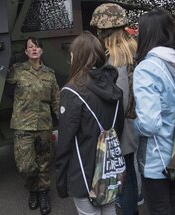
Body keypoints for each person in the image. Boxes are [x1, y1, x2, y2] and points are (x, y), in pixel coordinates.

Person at [133, 8, 175, 215]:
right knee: (171, 206)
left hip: (157, 157)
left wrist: (133, 124)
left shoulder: (146, 68)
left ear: (147, 34)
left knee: (160, 209)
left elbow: (149, 124)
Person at [55, 31, 124, 215]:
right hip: (109, 170)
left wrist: (61, 180)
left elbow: (65, 143)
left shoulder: (72, 91)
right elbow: (119, 131)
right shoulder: (114, 87)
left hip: (84, 173)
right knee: (110, 209)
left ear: (77, 56)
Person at [89, 3, 139, 215]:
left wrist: (110, 134)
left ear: (103, 30)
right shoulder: (131, 50)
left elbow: (121, 98)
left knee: (123, 180)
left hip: (121, 128)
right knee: (129, 176)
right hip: (131, 125)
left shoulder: (115, 58)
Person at [7, 37, 60, 215]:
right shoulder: (17, 70)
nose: (34, 49)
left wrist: (64, 120)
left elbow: (56, 99)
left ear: (42, 51)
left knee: (44, 163)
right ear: (26, 52)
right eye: (30, 47)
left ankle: (43, 194)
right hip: (22, 126)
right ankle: (33, 189)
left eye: (37, 46)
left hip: (44, 125)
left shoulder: (50, 74)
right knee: (26, 166)